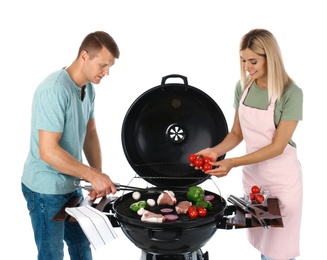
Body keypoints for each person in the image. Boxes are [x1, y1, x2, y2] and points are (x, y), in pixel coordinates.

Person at [194, 29, 303, 260]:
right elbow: (236, 133)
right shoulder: (243, 87)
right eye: (243, 60)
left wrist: (232, 162)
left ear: (270, 58)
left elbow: (277, 146)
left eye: (253, 61)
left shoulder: (291, 93)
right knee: (265, 247)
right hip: (255, 179)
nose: (247, 67)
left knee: (280, 252)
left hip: (282, 181)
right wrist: (215, 151)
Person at [21, 31, 120, 260]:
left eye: (110, 67)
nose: (106, 72)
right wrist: (91, 175)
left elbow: (90, 133)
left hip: (71, 183)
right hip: (45, 190)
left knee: (82, 248)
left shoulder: (89, 88)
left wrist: (97, 176)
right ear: (84, 56)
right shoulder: (54, 89)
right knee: (52, 255)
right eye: (103, 65)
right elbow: (48, 151)